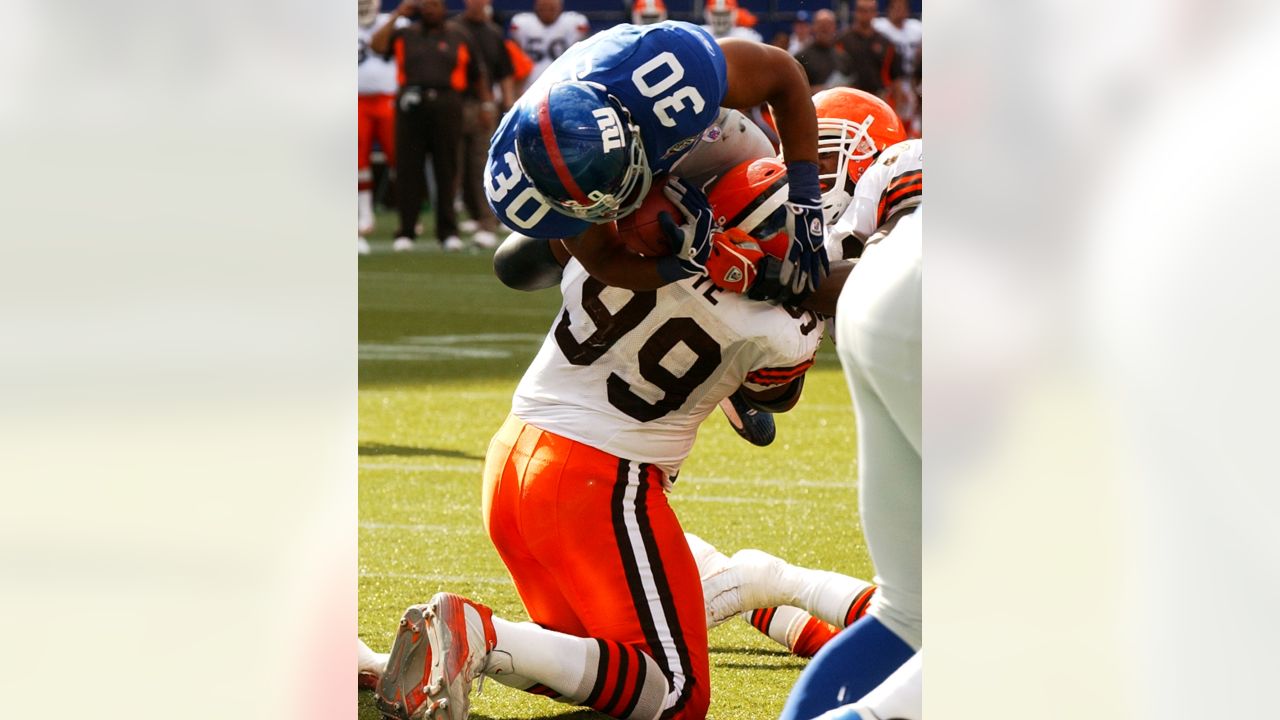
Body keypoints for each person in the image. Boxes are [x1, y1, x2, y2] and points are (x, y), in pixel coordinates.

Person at [371, 206, 824, 720]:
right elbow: (772, 401)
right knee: (678, 694)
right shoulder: (781, 330)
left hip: (513, 456)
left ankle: (391, 661)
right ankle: (481, 635)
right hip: (602, 483)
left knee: (595, 664)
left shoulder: (628, 227)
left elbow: (519, 263)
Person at [485, 20, 829, 305]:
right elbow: (603, 260)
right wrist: (683, 265)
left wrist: (806, 198)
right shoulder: (518, 182)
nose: (616, 206)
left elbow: (785, 74)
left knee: (774, 218)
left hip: (688, 137)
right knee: (514, 267)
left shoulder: (670, 74)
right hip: (626, 146)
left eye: (615, 186)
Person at [371, 0, 495, 253]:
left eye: (435, 5)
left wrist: (486, 105)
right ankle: (406, 230)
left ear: (443, 7)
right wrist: (396, 14)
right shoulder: (406, 33)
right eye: (426, 5)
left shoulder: (459, 35)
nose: (430, 9)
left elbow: (477, 73)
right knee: (408, 170)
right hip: (410, 105)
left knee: (447, 170)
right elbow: (377, 46)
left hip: (448, 104)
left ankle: (448, 231)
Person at [451, 0, 515, 250]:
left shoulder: (493, 33)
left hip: (484, 105)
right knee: (455, 167)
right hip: (456, 102)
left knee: (484, 165)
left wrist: (507, 106)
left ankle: (488, 221)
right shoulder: (453, 29)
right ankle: (464, 219)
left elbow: (505, 72)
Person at [358, 0, 406, 254]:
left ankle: (405, 214)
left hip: (388, 98)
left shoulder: (396, 22)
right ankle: (365, 214)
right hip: (356, 100)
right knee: (358, 161)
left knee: (398, 157)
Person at [508, 0, 589, 93]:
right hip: (529, 83)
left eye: (551, 7)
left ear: (560, 6)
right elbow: (515, 60)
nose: (547, 11)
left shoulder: (574, 22)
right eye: (543, 6)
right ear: (536, 6)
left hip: (563, 81)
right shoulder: (522, 23)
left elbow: (581, 55)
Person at [872, 0, 922, 137]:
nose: (900, 11)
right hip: (891, 78)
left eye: (903, 8)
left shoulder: (916, 28)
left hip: (912, 77)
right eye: (896, 7)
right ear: (889, 10)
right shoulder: (880, 27)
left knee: (913, 112)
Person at [837, 0, 903, 99]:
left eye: (870, 10)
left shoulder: (886, 43)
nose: (866, 14)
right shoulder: (843, 40)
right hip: (850, 96)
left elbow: (896, 78)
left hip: (879, 96)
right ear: (856, 12)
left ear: (875, 12)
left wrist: (897, 107)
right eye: (862, 10)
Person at [794, 10, 852, 94]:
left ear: (834, 27)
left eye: (829, 25)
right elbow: (795, 90)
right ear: (813, 27)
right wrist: (821, 90)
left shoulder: (843, 57)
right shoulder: (801, 57)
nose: (825, 28)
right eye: (821, 25)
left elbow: (852, 84)